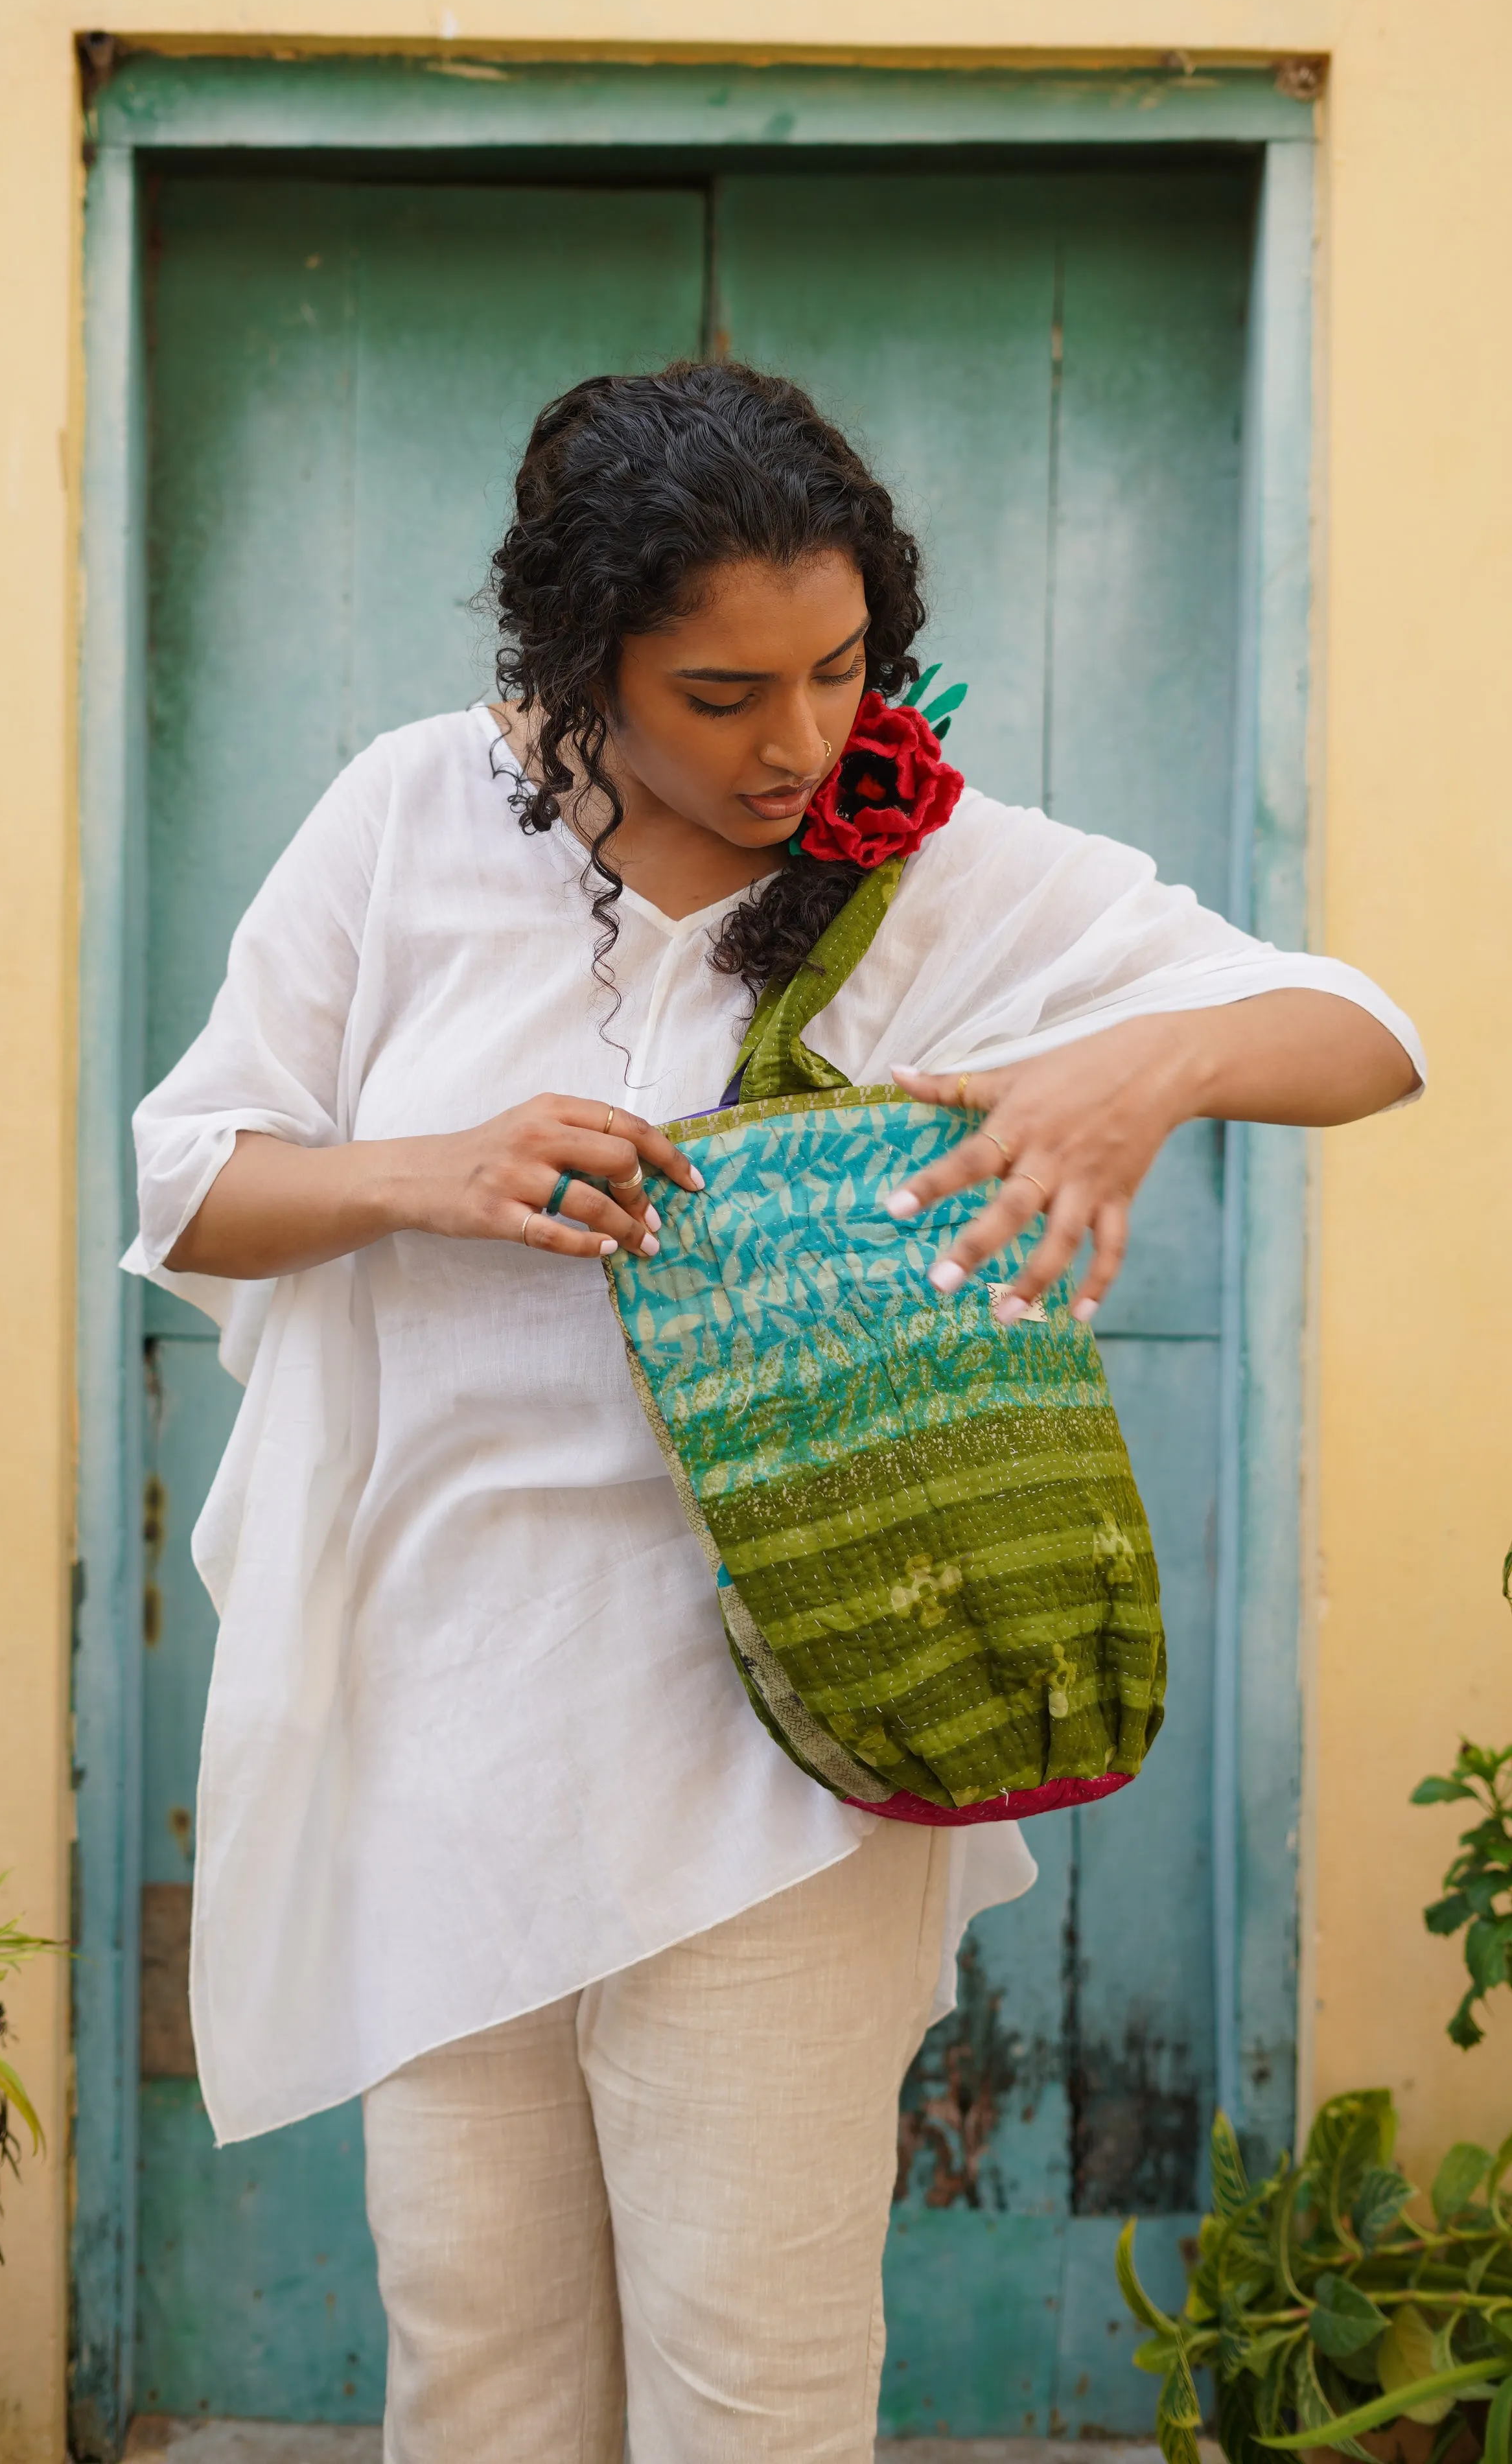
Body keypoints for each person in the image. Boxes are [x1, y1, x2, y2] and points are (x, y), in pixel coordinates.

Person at [126, 362, 1422, 2464]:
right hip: (443, 1731)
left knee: (755, 2388)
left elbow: (1363, 1033)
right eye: (723, 691)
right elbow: (191, 1175)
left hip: (788, 1760)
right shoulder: (408, 817)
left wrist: (1146, 1070)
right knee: (477, 2378)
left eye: (838, 670)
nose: (799, 741)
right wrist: (428, 1170)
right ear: (581, 663)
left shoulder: (941, 864)